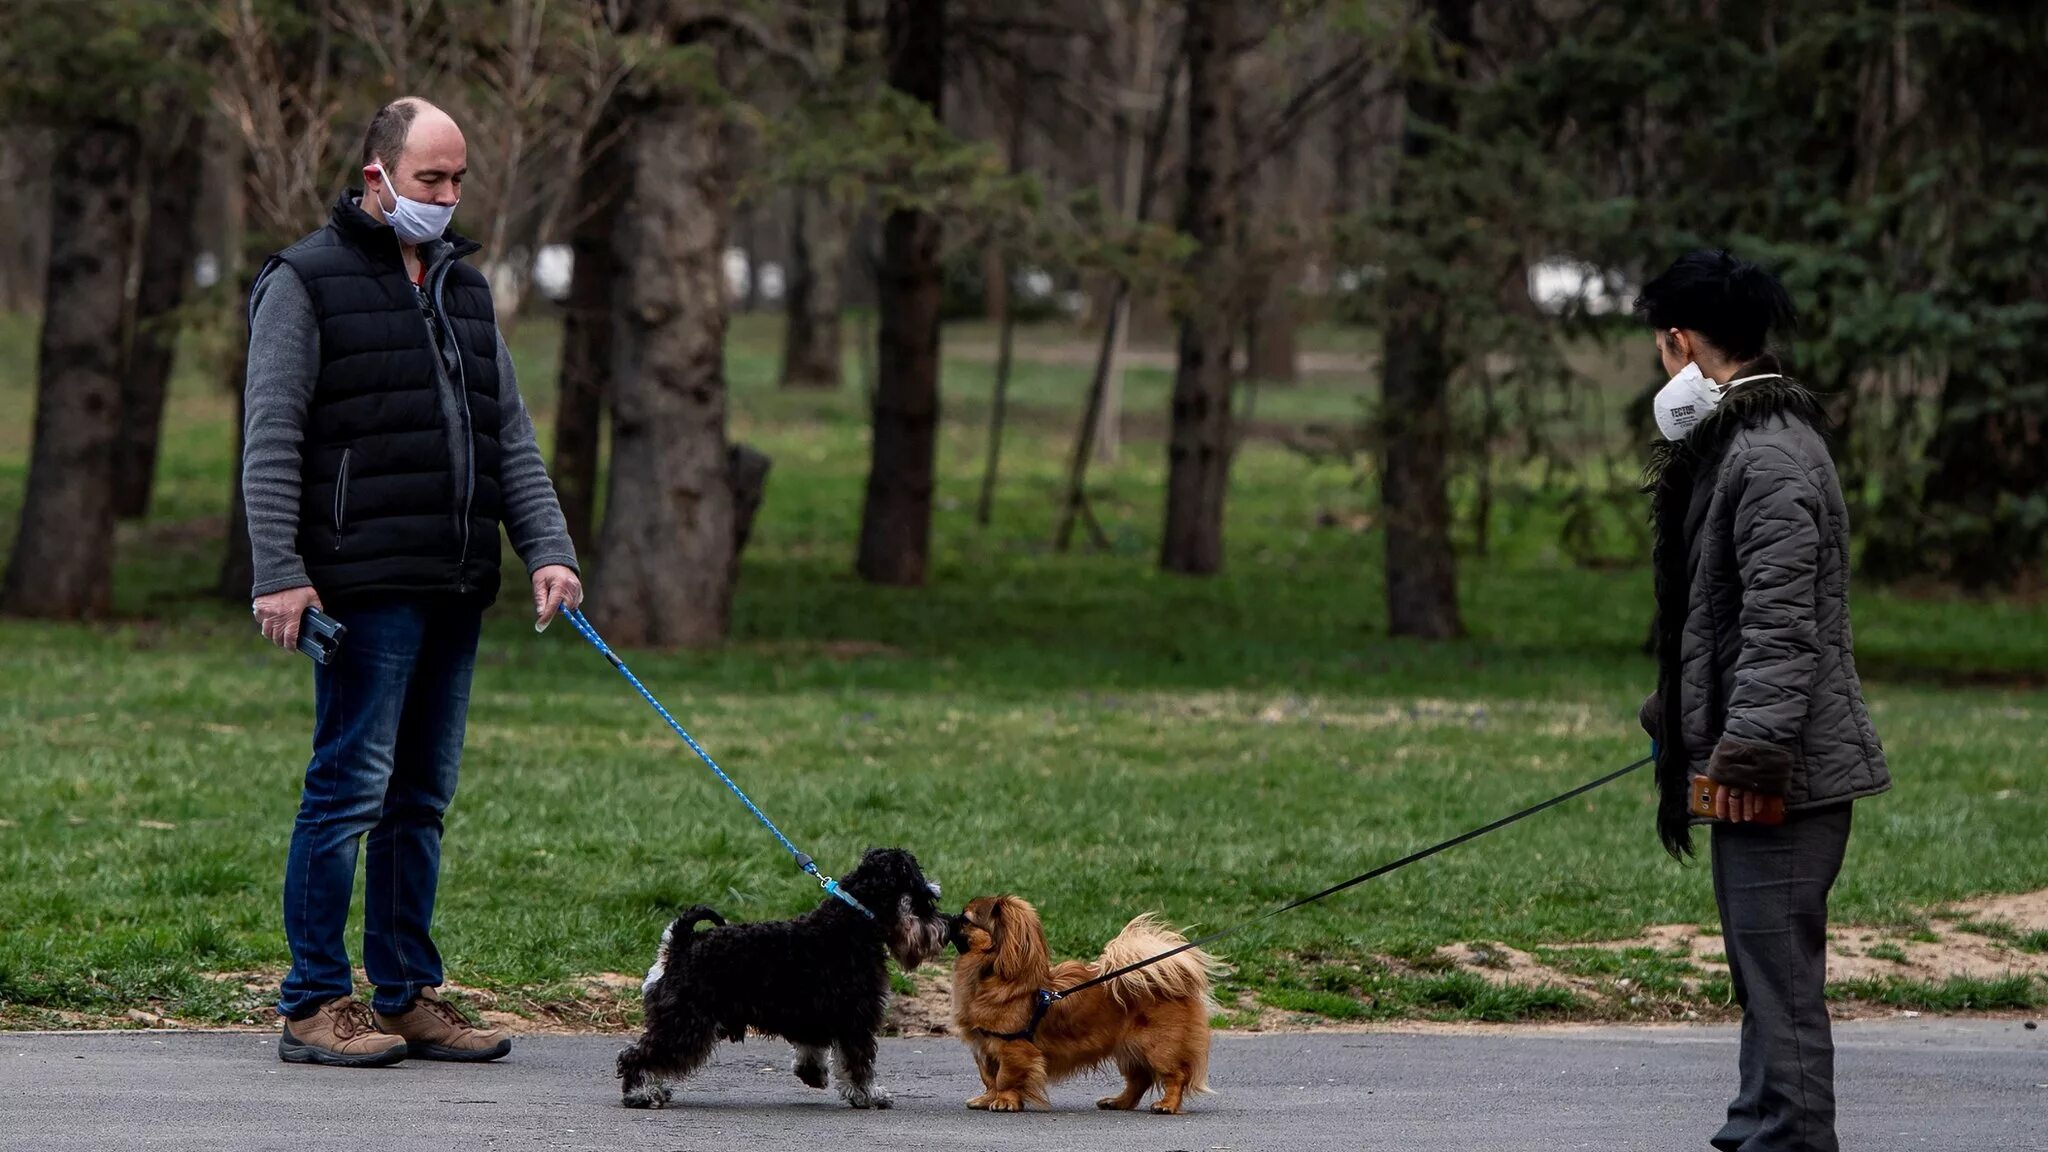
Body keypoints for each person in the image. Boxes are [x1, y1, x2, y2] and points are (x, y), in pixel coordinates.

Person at [244, 97, 584, 1067]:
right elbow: (270, 438)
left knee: (420, 801)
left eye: (457, 180)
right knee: (348, 788)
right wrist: (280, 573)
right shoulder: (302, 282)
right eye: (431, 179)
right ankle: (313, 1004)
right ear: (377, 176)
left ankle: (404, 995)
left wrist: (547, 548)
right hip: (361, 583)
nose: (447, 196)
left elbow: (507, 434)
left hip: (453, 579)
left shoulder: (462, 288)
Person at [1635, 250, 1889, 1152]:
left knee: (1780, 980)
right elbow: (1727, 619)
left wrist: (1743, 755)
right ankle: (1756, 1128)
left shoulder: (1771, 457)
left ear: (1679, 343)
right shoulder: (1750, 443)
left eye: (1660, 349)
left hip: (1783, 773)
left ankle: (1786, 1138)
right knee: (1761, 971)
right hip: (1759, 757)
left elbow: (1786, 635)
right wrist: (1681, 718)